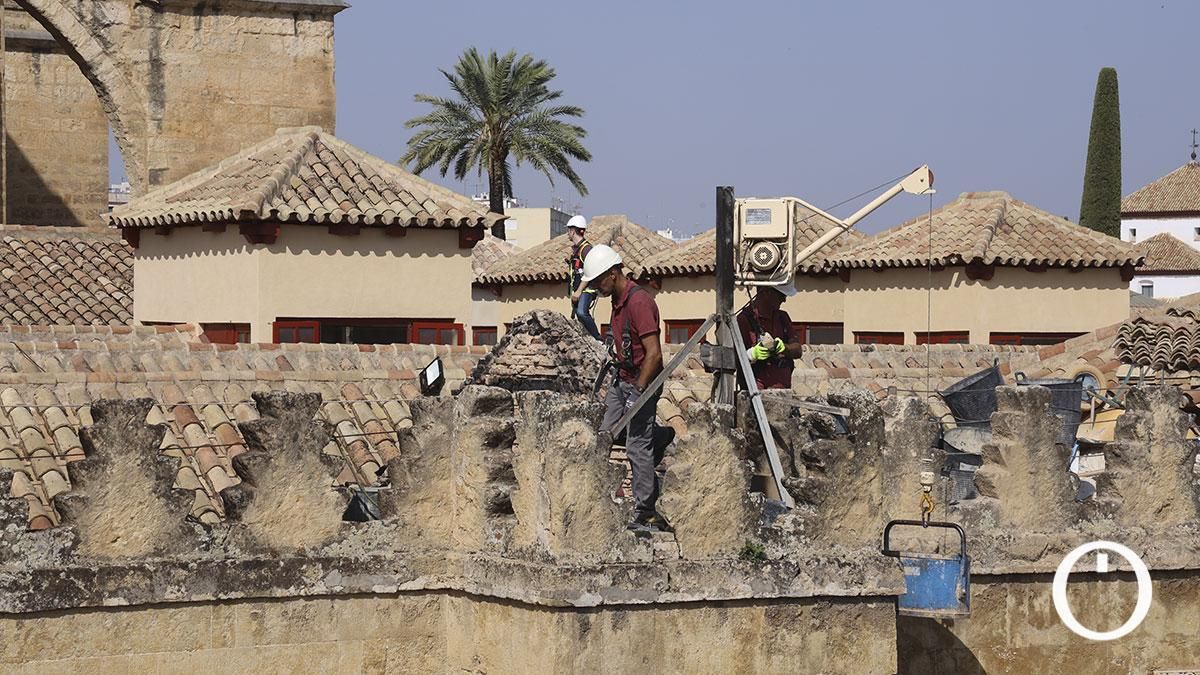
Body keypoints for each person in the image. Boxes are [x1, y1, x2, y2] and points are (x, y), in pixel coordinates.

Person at [581, 244, 673, 533]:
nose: (597, 288)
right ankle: (660, 437)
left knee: (637, 445)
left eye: (598, 281)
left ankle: (646, 511)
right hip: (622, 378)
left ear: (613, 273)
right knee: (605, 435)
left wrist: (638, 393)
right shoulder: (617, 301)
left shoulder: (639, 302)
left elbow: (653, 354)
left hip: (643, 381)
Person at [736, 284, 804, 389]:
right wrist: (751, 355)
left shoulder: (782, 318)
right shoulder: (743, 320)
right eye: (781, 295)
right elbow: (732, 359)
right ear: (766, 292)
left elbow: (798, 350)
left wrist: (784, 348)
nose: (784, 300)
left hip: (783, 390)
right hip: (756, 393)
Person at [565, 214, 601, 339]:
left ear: (573, 231)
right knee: (579, 318)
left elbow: (590, 271)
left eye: (568, 230)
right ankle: (588, 339)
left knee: (581, 313)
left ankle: (598, 339)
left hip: (587, 289)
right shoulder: (578, 249)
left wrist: (579, 291)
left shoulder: (586, 249)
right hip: (579, 289)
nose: (567, 233)